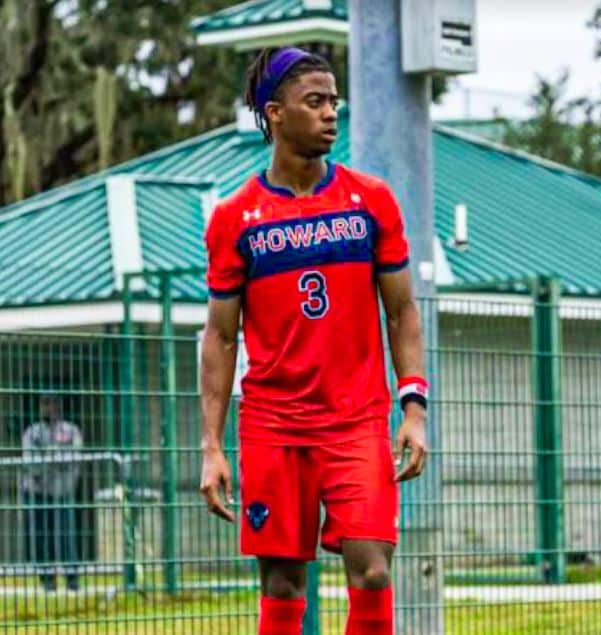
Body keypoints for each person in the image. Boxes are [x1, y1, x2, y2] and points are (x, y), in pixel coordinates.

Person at [199, 46, 429, 635]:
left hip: (356, 421)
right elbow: (221, 338)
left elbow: (401, 310)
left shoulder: (370, 201)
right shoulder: (235, 217)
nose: (331, 113)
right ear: (275, 113)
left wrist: (413, 404)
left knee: (373, 572)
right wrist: (212, 446)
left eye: (335, 101)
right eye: (316, 102)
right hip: (273, 425)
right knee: (281, 583)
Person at [22, 394, 83, 592]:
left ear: (60, 406)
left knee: (67, 535)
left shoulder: (71, 430)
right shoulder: (32, 432)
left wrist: (46, 454)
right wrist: (56, 456)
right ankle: (47, 580)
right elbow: (31, 464)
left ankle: (72, 579)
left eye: (54, 403)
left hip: (62, 491)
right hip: (38, 492)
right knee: (41, 536)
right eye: (45, 403)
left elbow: (74, 457)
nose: (50, 407)